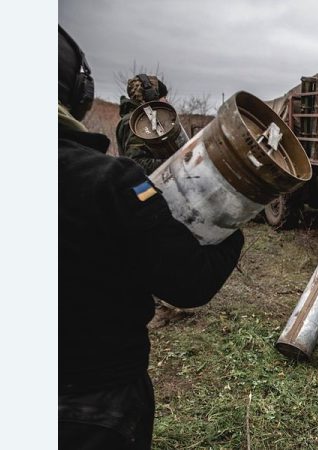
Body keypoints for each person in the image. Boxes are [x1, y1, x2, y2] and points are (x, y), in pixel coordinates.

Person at [58, 25, 244, 449]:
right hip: (93, 402)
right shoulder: (104, 181)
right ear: (78, 92)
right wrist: (231, 221)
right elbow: (190, 282)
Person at [116, 73, 170, 174]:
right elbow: (135, 162)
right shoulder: (136, 122)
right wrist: (171, 164)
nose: (166, 100)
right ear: (151, 96)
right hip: (142, 186)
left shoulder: (146, 119)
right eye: (163, 96)